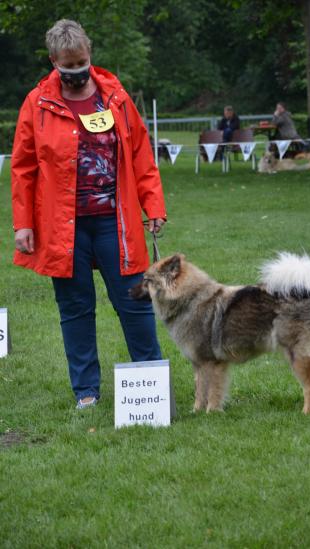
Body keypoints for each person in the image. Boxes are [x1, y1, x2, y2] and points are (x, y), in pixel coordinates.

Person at [11, 19, 167, 409]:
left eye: (82, 63)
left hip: (116, 219)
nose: (77, 72)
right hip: (61, 227)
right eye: (68, 67)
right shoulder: (37, 103)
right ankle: (87, 393)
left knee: (134, 300)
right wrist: (24, 224)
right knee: (75, 308)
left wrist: (154, 206)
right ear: (53, 61)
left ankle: (151, 384)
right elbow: (24, 167)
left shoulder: (115, 95)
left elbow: (140, 154)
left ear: (90, 54)